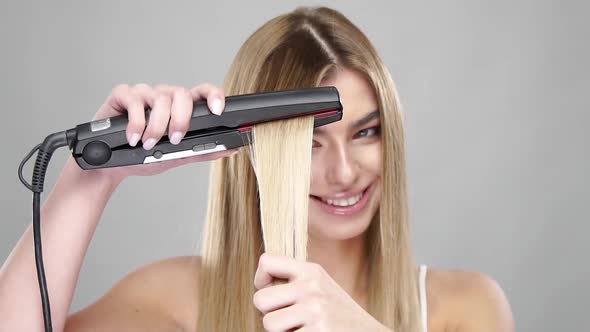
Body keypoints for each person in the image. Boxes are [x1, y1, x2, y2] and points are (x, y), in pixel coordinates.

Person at [0, 6, 514, 332]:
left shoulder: (464, 308)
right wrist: (93, 176)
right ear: (256, 152)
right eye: (309, 143)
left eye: (366, 132)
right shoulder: (177, 298)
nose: (344, 171)